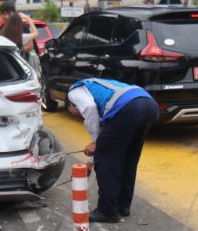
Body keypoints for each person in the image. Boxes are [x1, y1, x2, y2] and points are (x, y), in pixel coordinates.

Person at [64, 78, 158, 223]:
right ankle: (122, 206)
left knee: (106, 161)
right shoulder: (98, 89)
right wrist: (90, 162)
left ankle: (107, 211)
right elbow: (106, 136)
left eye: (74, 112)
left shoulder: (74, 91)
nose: (77, 115)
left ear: (71, 104)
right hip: (149, 104)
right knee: (128, 158)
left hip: (129, 107)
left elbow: (88, 108)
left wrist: (96, 143)